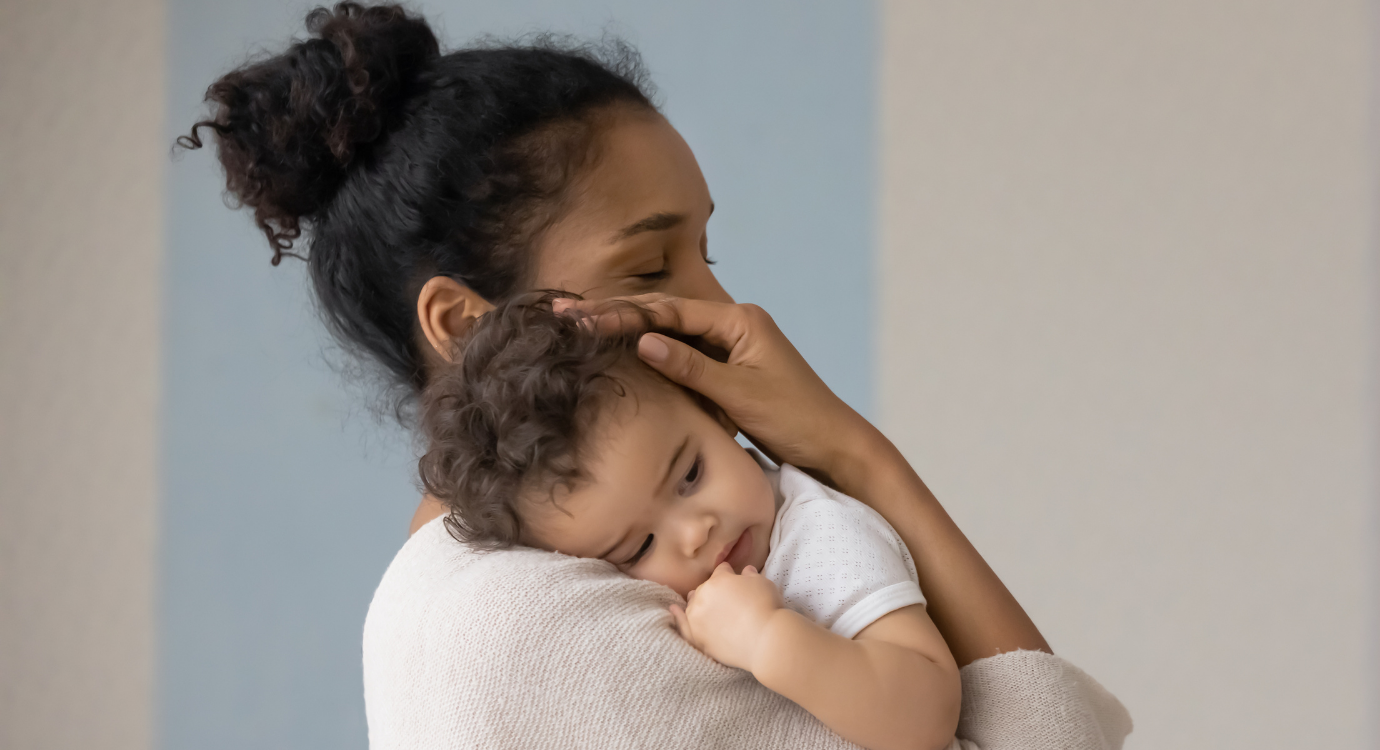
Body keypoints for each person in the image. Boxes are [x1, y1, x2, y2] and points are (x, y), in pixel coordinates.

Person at [181, 3, 1131, 747]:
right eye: (650, 267)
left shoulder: (514, 577)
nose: (732, 314)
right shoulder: (525, 630)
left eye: (708, 251)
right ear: (466, 325)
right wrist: (856, 454)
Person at [417, 292, 960, 750]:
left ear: (716, 412)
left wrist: (770, 640)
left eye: (691, 474)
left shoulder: (820, 536)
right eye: (639, 548)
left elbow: (929, 712)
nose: (694, 531)